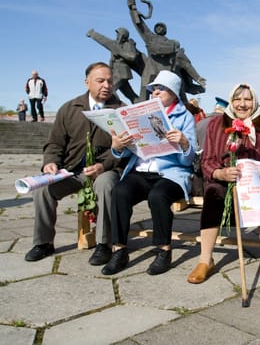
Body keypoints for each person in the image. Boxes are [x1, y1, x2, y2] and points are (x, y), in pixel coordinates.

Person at [186, 83, 260, 287]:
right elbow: (207, 160)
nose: (242, 104)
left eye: (247, 99)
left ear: (255, 101)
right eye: (237, 99)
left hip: (258, 180)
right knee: (213, 191)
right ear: (231, 101)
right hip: (227, 179)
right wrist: (220, 172)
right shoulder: (217, 123)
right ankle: (205, 259)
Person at [24, 62, 125, 266]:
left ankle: (103, 244)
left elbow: (128, 152)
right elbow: (54, 143)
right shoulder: (70, 109)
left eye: (110, 81)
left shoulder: (121, 110)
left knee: (106, 185)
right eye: (100, 81)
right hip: (71, 171)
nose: (106, 85)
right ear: (87, 82)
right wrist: (50, 163)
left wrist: (104, 165)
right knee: (43, 188)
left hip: (103, 170)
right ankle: (43, 243)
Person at [101, 70, 197, 275]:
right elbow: (125, 152)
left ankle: (163, 250)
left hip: (171, 173)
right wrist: (118, 145)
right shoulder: (139, 113)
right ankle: (119, 249)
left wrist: (184, 142)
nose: (155, 93)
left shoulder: (185, 116)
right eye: (153, 89)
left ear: (173, 93)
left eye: (160, 89)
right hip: (142, 170)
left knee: (158, 195)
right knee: (120, 192)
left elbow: (189, 160)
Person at [127, 0, 206, 101]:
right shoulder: (150, 37)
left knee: (178, 93)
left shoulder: (172, 44)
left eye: (161, 27)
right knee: (144, 97)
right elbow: (139, 25)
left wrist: (198, 78)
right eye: (157, 26)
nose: (159, 28)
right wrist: (132, 6)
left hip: (166, 74)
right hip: (150, 72)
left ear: (165, 30)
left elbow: (186, 64)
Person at [87, 27, 145, 103]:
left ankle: (116, 107)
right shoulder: (115, 44)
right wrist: (93, 34)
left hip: (122, 72)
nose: (117, 35)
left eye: (118, 34)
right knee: (130, 95)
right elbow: (104, 41)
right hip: (115, 72)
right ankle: (141, 106)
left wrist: (120, 52)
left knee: (110, 89)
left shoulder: (128, 44)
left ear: (123, 36)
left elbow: (133, 57)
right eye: (117, 34)